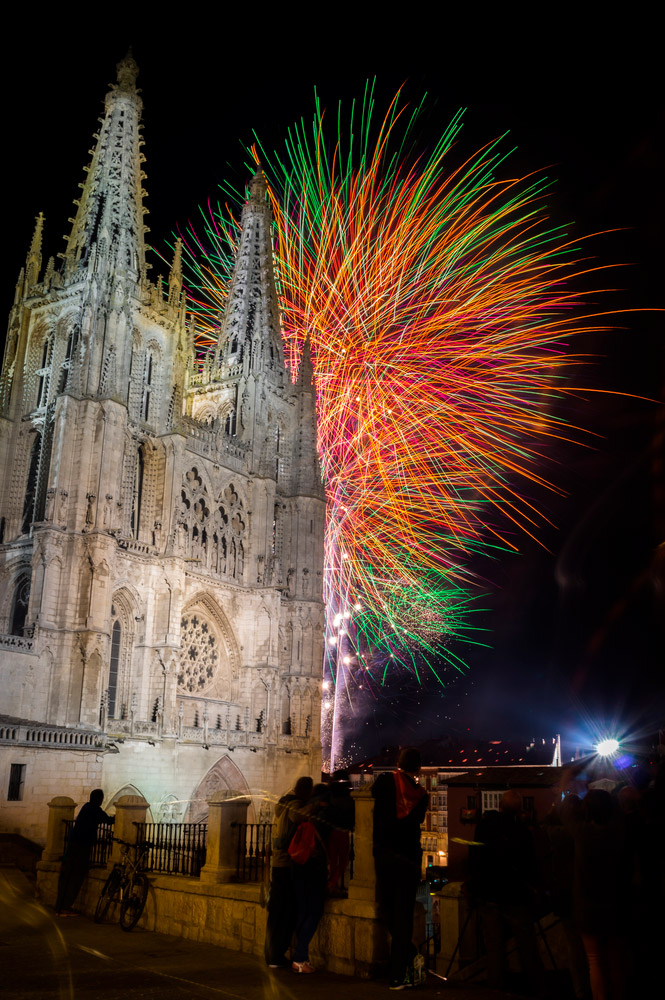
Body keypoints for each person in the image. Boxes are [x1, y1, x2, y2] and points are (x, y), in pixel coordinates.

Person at [468, 789, 546, 994]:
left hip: (489, 894)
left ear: (499, 806)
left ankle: (497, 988)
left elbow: (475, 856)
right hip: (515, 896)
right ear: (519, 811)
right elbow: (530, 865)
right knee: (527, 946)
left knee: (494, 948)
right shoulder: (523, 832)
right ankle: (536, 987)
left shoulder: (484, 827)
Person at [372, 748, 428, 990]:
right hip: (409, 859)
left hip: (385, 856)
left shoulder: (385, 782)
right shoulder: (422, 795)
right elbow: (414, 821)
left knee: (387, 909)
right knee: (403, 913)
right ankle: (401, 971)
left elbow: (372, 794)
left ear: (398, 763)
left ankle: (404, 963)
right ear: (418, 769)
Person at [264, 776, 313, 969]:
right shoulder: (295, 805)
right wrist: (315, 807)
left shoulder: (282, 804)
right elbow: (297, 817)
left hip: (277, 863)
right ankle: (276, 955)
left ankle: (271, 954)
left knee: (276, 911)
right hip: (287, 863)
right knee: (287, 911)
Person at [290, 782, 330, 973]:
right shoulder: (324, 816)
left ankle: (297, 956)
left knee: (302, 911)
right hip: (314, 870)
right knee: (314, 913)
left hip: (298, 866)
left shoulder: (304, 812)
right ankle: (300, 958)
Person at [55, 788, 112, 915]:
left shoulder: (86, 807)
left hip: (72, 845)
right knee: (76, 877)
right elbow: (107, 820)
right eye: (102, 799)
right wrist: (117, 818)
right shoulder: (94, 809)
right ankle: (65, 907)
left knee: (66, 876)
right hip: (81, 847)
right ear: (99, 799)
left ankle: (59, 906)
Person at [326, 769, 355, 896]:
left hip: (330, 831)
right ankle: (332, 883)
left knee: (332, 860)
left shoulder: (330, 794)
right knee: (343, 861)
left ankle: (332, 884)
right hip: (343, 832)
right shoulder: (349, 797)